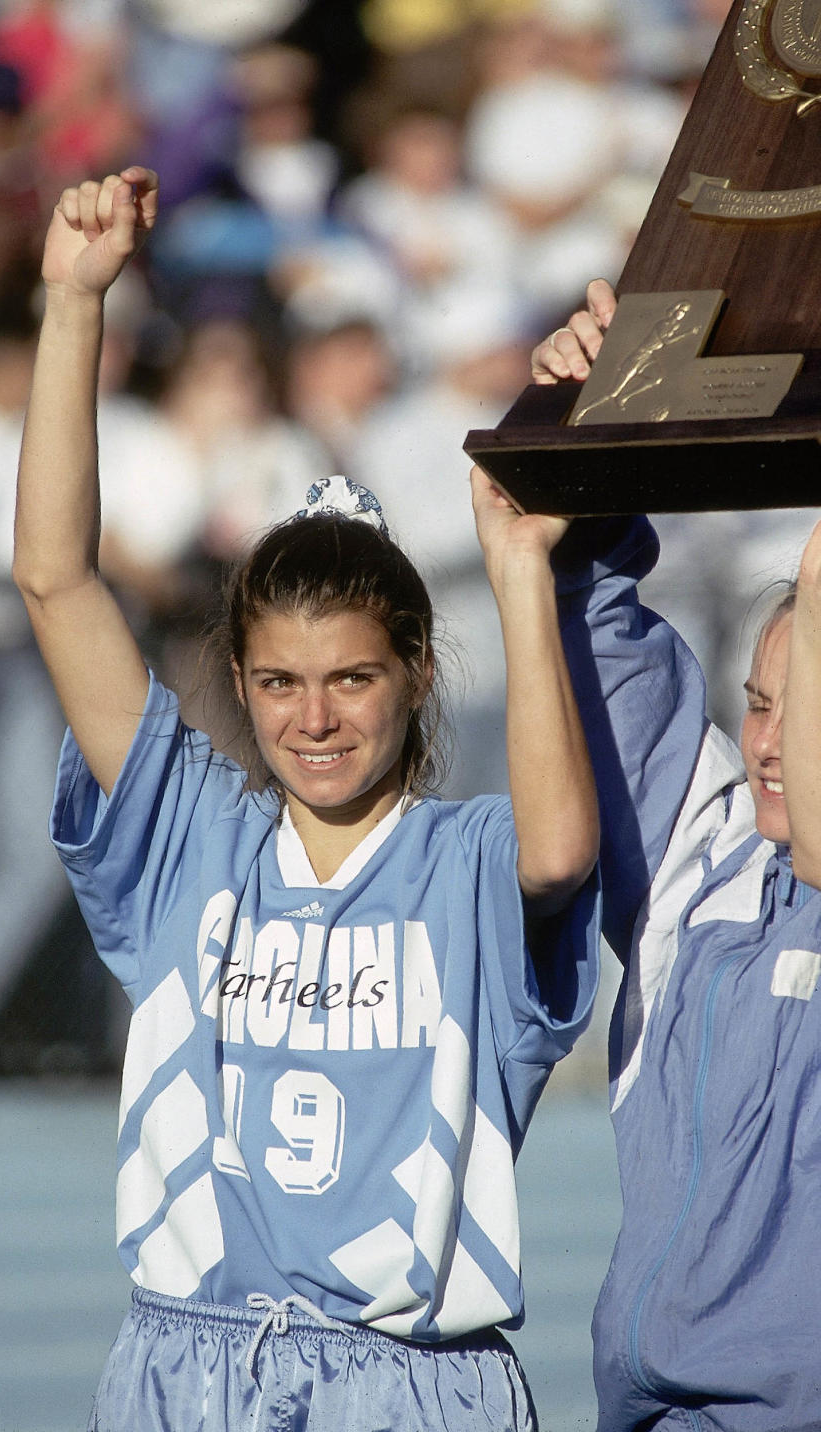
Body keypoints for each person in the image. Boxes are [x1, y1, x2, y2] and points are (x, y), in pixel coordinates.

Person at [13, 166, 602, 1431]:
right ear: (237, 678)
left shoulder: (465, 863)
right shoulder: (194, 840)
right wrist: (74, 306)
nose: (313, 718)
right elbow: (58, 583)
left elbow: (558, 854)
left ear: (417, 675)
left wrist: (518, 570)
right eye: (278, 682)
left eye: (351, 679)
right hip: (190, 1368)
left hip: (411, 1385)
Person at [531, 282, 821, 1432]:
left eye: (798, 711)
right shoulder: (702, 865)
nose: (765, 743)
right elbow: (596, 628)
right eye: (754, 703)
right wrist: (600, 401)